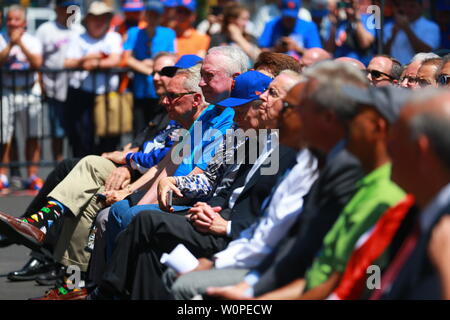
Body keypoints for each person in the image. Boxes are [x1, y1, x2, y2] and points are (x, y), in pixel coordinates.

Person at [87, 71, 299, 300]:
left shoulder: (267, 140)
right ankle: (103, 289)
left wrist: (223, 220)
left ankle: (103, 293)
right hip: (203, 205)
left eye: (173, 95)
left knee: (138, 218)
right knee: (123, 216)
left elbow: (243, 195)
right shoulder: (212, 120)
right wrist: (142, 184)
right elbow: (172, 160)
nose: (202, 83)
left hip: (217, 216)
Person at [3, 52, 179, 284]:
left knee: (88, 193)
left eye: (166, 73)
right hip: (133, 169)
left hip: (145, 181)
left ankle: (48, 250)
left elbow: (162, 161)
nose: (157, 78)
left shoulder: (183, 114)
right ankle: (43, 237)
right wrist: (127, 158)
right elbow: (140, 146)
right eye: (154, 72)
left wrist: (127, 165)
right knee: (77, 171)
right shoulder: (162, 108)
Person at [231, 85, 409, 300]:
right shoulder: (367, 182)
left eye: (356, 115)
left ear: (378, 128)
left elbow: (367, 282)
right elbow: (330, 270)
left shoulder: (387, 197)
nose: (346, 123)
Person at [206, 61, 366, 299]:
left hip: (267, 268)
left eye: (292, 105)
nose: (264, 101)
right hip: (253, 255)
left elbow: (305, 253)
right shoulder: (291, 150)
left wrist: (252, 290)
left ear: (328, 116)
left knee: (186, 283)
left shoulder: (337, 168)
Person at [163, 70, 319, 300]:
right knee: (140, 221)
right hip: (226, 223)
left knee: (148, 224)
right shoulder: (245, 134)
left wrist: (225, 228)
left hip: (242, 239)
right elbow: (220, 186)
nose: (235, 117)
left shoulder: (287, 150)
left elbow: (268, 220)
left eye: (241, 110)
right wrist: (209, 208)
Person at [374, 88, 450, 299]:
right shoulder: (417, 211)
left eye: (395, 140)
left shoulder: (445, 239)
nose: (387, 148)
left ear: (420, 151)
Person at [63, 1, 122, 157]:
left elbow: (115, 60)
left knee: (109, 138)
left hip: (107, 95)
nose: (99, 22)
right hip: (82, 94)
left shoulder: (114, 37)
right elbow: (67, 62)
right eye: (95, 18)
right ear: (87, 20)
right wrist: (85, 60)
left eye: (103, 18)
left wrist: (95, 63)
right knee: (82, 138)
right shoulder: (78, 38)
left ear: (109, 20)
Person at [0, 5, 44, 192]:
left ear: (24, 22)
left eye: (16, 20)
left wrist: (20, 44)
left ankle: (32, 175)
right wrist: (11, 44)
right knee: (4, 136)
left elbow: (37, 63)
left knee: (32, 135)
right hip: (7, 90)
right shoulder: (1, 38)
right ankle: (3, 175)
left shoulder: (32, 40)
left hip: (29, 90)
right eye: (10, 19)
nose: (12, 23)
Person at [35, 0, 84, 163]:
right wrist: (40, 83)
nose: (69, 11)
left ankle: (75, 164)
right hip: (54, 88)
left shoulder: (79, 29)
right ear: (57, 9)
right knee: (57, 131)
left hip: (77, 87)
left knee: (76, 129)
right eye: (65, 7)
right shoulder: (45, 30)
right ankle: (58, 163)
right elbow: (38, 60)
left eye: (73, 8)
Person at [122, 1, 176, 137]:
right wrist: (150, 69)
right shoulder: (134, 32)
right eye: (149, 14)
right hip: (140, 91)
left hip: (160, 91)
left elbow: (172, 58)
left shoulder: (168, 33)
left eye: (156, 15)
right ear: (145, 15)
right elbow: (127, 58)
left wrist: (150, 65)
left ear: (161, 17)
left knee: (159, 129)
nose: (152, 18)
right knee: (139, 130)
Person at [384, 0, 440, 65]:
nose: (408, 10)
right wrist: (393, 35)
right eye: (405, 6)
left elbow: (426, 52)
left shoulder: (431, 27)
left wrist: (406, 28)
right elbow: (384, 53)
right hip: (395, 70)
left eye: (412, 6)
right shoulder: (388, 27)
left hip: (418, 71)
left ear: (421, 8)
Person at [323, 0, 376, 66]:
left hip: (359, 66)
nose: (347, 6)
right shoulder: (339, 22)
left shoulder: (367, 19)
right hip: (339, 65)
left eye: (350, 3)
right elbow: (329, 49)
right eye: (344, 3)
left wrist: (356, 17)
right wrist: (334, 23)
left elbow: (365, 44)